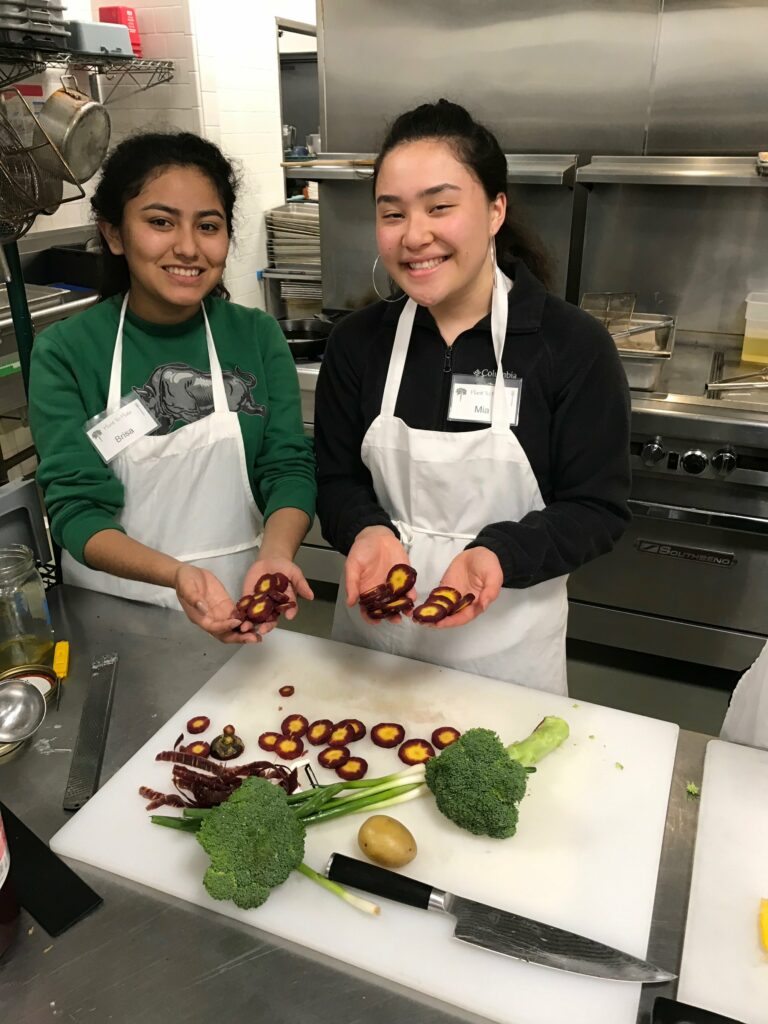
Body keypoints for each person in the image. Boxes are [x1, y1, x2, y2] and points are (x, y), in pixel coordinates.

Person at [314, 100, 631, 693]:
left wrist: (500, 554)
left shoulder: (570, 346)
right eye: (392, 213)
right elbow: (334, 480)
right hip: (374, 640)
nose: (414, 236)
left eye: (440, 207)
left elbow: (597, 507)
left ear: (494, 210)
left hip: (507, 650)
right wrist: (367, 531)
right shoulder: (357, 343)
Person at [29, 132, 316, 644]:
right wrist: (175, 575)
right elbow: (75, 507)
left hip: (242, 605)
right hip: (115, 614)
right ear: (115, 234)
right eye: (160, 222)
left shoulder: (255, 335)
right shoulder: (68, 353)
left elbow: (287, 467)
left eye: (208, 226)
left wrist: (276, 556)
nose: (187, 247)